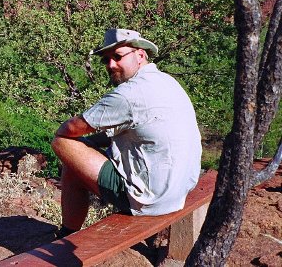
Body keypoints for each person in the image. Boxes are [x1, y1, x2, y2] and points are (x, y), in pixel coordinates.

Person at [51, 28, 202, 238]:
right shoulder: (167, 82)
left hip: (151, 199)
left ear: (140, 55)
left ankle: (66, 236)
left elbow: (70, 130)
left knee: (62, 144)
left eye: (118, 56)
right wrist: (88, 146)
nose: (111, 64)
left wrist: (81, 146)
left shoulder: (128, 95)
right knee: (75, 159)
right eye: (106, 60)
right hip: (179, 191)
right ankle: (66, 234)